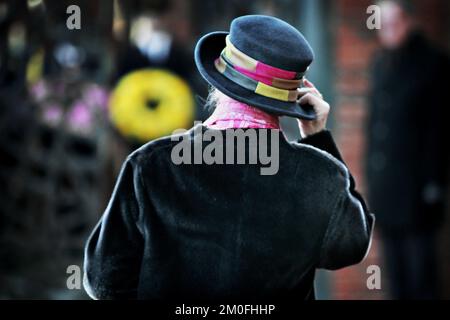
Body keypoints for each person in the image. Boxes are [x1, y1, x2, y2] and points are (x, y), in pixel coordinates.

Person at [83, 15, 374, 301]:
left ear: (218, 82)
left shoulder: (149, 165)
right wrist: (318, 137)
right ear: (294, 97)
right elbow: (352, 244)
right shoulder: (320, 175)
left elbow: (104, 282)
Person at [367, 0, 449, 299]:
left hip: (418, 195)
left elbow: (439, 130)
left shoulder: (433, 63)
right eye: (381, 24)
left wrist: (433, 186)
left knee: (422, 280)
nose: (387, 30)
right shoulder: (380, 63)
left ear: (408, 21)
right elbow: (375, 128)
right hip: (386, 193)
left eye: (393, 22)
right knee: (396, 280)